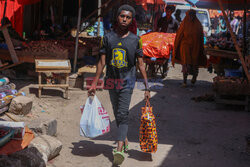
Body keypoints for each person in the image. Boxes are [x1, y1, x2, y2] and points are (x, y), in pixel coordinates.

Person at [88, 5, 150, 165]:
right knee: (117, 113)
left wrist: (146, 86)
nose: (124, 19)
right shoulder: (107, 38)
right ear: (117, 17)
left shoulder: (136, 40)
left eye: (128, 17)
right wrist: (94, 83)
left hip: (128, 82)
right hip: (111, 81)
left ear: (131, 20)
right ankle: (125, 138)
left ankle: (119, 148)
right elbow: (101, 63)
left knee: (123, 114)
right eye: (122, 16)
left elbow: (141, 65)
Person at [172, 9, 207, 87]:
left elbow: (201, 37)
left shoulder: (198, 25)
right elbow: (179, 35)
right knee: (185, 63)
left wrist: (201, 48)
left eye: (192, 15)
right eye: (189, 15)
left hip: (195, 47)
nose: (191, 17)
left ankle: (194, 77)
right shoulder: (184, 24)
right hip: (185, 46)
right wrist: (176, 46)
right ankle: (184, 81)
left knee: (195, 64)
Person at [156, 5, 179, 77]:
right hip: (161, 40)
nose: (168, 13)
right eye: (167, 11)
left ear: (172, 12)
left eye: (169, 11)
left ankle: (165, 70)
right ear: (165, 11)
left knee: (166, 55)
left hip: (169, 42)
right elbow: (157, 28)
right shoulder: (161, 19)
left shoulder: (175, 22)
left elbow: (177, 32)